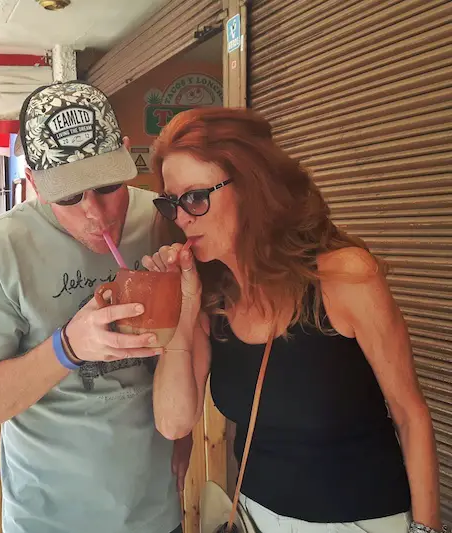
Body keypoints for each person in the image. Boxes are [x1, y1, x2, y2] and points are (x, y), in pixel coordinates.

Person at [142, 107, 442, 533]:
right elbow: (173, 421)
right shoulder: (211, 300)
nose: (183, 218)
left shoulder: (344, 277)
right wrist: (183, 308)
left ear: (251, 186)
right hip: (252, 517)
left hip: (361, 521)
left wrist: (426, 530)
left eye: (194, 197)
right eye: (170, 203)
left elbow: (411, 415)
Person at [0, 81, 191, 533]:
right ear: (33, 185)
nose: (97, 214)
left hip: (155, 514)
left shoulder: (163, 220)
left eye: (106, 185)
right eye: (69, 196)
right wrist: (67, 348)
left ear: (126, 157)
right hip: (47, 519)